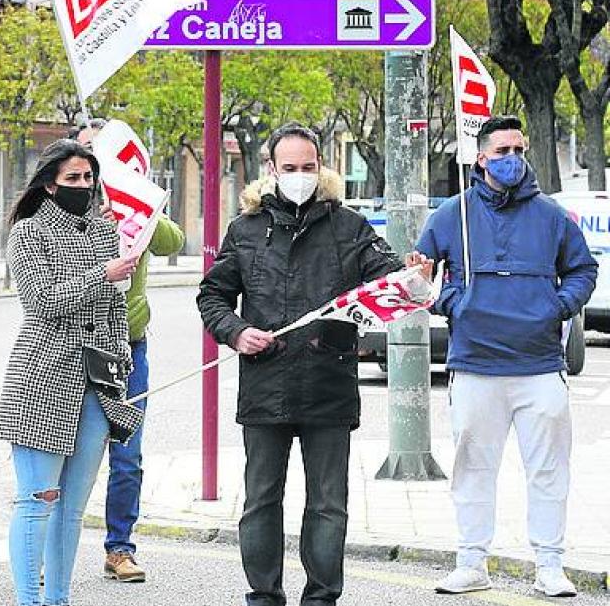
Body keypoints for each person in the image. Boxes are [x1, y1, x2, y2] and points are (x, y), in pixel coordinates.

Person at [197, 122, 420, 606]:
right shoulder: (246, 230)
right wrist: (236, 332)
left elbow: (388, 280)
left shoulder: (350, 226)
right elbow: (212, 294)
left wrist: (413, 275)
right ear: (272, 170)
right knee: (259, 502)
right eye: (290, 168)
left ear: (322, 169)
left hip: (329, 384)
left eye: (309, 167)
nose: (300, 175)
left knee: (327, 504)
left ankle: (321, 598)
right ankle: (264, 596)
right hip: (264, 385)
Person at [418, 116, 596, 598]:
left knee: (549, 470)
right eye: (502, 151)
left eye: (519, 149)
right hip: (474, 364)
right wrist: (453, 303)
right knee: (473, 469)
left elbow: (583, 269)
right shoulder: (449, 215)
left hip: (540, 365)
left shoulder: (553, 216)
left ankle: (550, 566)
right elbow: (419, 278)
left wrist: (557, 307)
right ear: (481, 158)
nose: (513, 158)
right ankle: (471, 562)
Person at [0, 138, 144, 606]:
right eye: (72, 179)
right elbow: (41, 302)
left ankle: (58, 598)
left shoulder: (103, 230)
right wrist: (104, 275)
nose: (83, 186)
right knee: (38, 500)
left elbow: (114, 310)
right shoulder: (29, 232)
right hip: (43, 377)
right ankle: (29, 599)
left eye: (88, 178)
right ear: (49, 184)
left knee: (73, 510)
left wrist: (120, 364)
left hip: (98, 382)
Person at [72, 118, 185, 583]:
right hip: (73, 346)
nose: (90, 167)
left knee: (128, 454)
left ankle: (119, 547)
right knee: (62, 451)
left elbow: (173, 241)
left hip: (127, 348)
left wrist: (137, 200)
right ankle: (47, 545)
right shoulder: (61, 207)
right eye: (83, 153)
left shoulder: (131, 203)